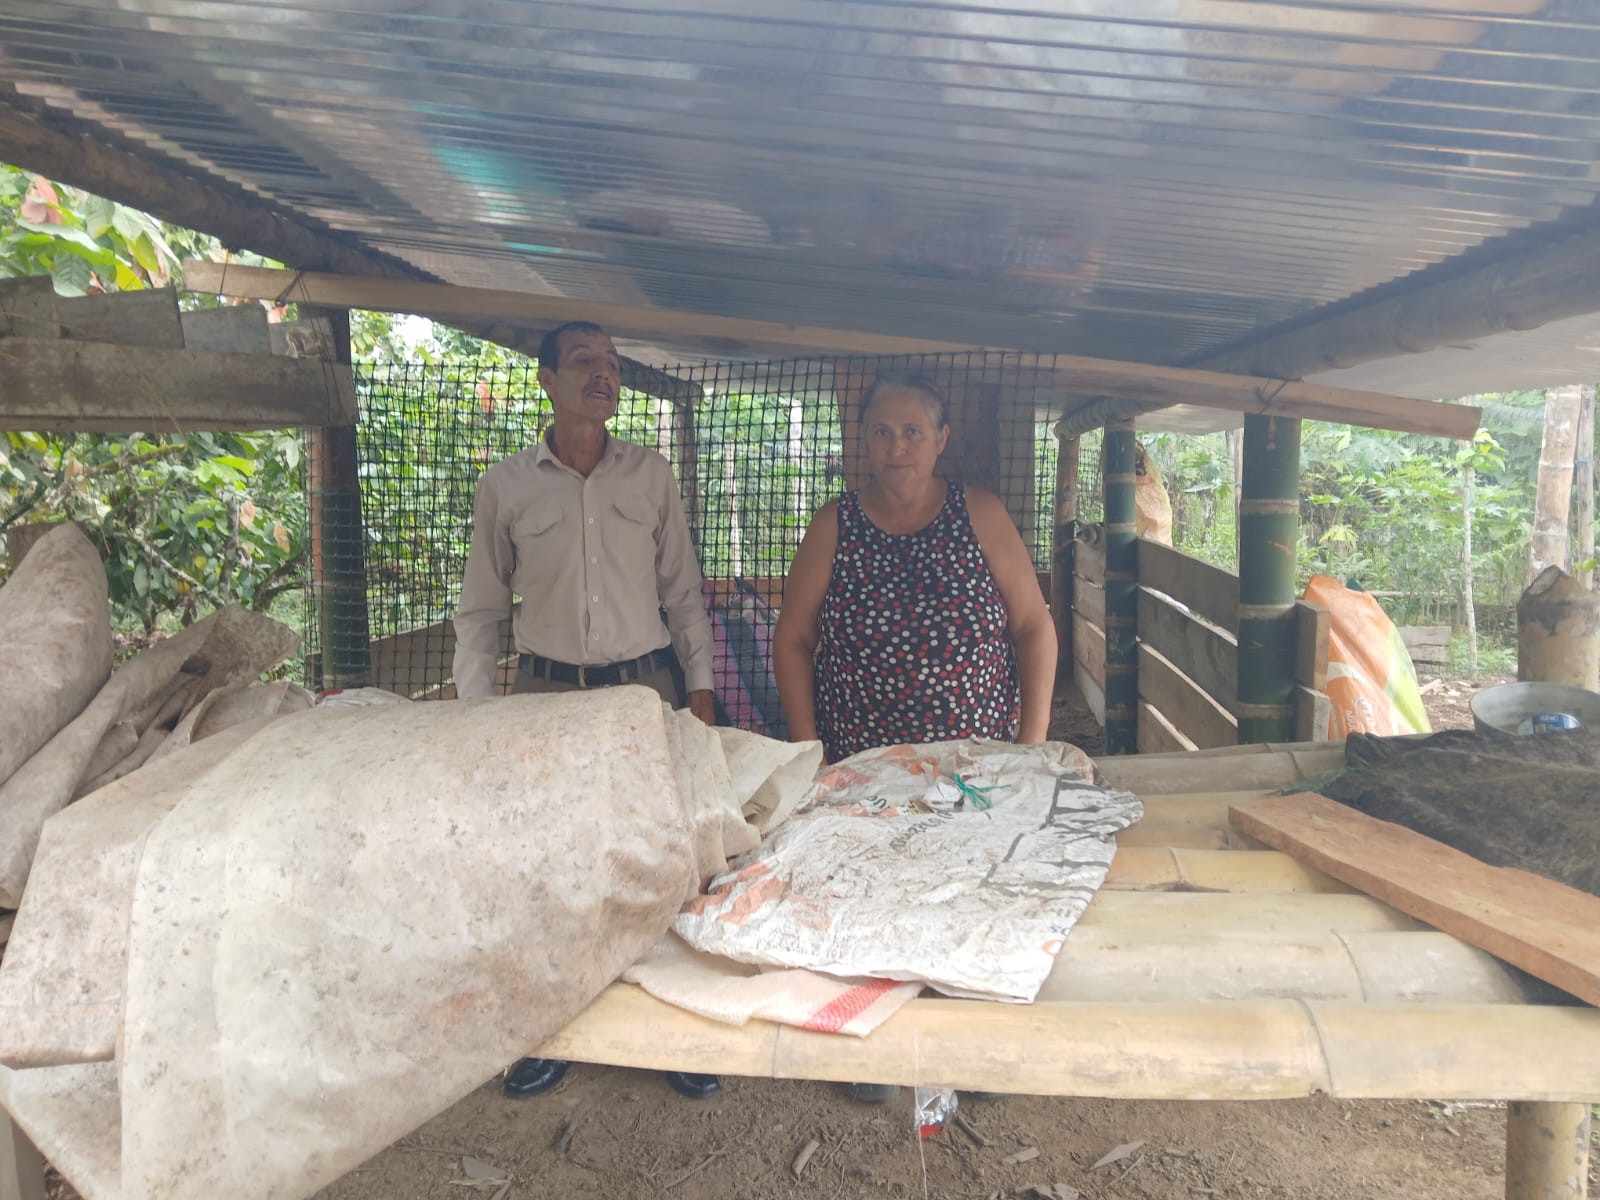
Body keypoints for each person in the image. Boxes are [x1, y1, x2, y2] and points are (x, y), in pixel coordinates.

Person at [772, 371, 1059, 1106]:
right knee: (871, 898)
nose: (896, 446)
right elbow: (793, 640)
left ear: (940, 440)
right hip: (864, 767)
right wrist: (810, 754)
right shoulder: (835, 524)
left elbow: (1034, 627)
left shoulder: (980, 513)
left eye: (911, 431)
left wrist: (1030, 748)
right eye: (882, 432)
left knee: (971, 895)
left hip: (972, 764)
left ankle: (972, 1047)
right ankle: (875, 1049)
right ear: (863, 442)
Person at [451, 320, 721, 1101]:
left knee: (661, 859)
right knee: (550, 868)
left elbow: (684, 594)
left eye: (611, 363)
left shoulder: (650, 476)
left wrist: (699, 690)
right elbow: (480, 612)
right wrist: (473, 716)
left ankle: (675, 1029)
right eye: (583, 361)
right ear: (546, 379)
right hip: (546, 698)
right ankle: (555, 1033)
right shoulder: (506, 486)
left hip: (644, 693)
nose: (603, 374)